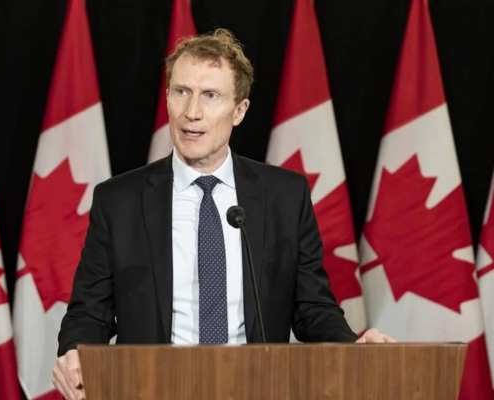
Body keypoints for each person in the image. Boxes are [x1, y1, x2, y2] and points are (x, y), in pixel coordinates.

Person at [52, 28, 394, 400]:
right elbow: (89, 312)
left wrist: (353, 349)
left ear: (239, 110)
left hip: (256, 390)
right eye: (181, 92)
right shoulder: (119, 201)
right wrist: (74, 352)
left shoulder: (284, 196)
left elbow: (312, 307)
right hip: (151, 389)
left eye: (210, 96)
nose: (191, 112)